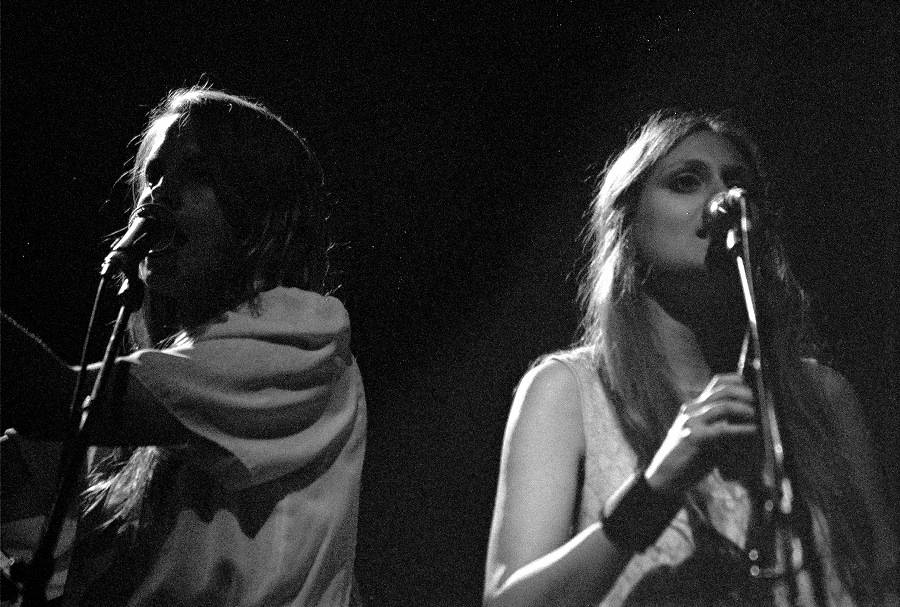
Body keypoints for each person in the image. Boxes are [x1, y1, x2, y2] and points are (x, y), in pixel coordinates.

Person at [483, 110, 897, 606]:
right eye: (686, 181)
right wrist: (654, 490)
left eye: (738, 185)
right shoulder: (569, 390)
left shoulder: (823, 398)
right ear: (627, 224)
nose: (724, 200)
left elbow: (883, 584)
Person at [1, 86, 367, 606]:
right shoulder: (160, 381)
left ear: (259, 212)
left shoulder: (304, 335)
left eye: (197, 174)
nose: (159, 193)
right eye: (152, 175)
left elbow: (47, 397)